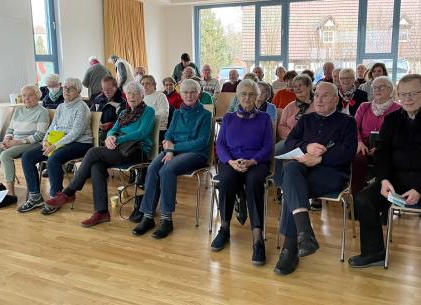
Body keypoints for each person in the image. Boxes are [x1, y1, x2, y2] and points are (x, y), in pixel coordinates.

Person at [348, 74, 421, 295]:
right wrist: (383, 179)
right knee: (364, 199)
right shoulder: (393, 120)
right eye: (403, 94)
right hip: (398, 179)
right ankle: (374, 252)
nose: (407, 98)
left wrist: (420, 188)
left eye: (413, 93)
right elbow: (382, 153)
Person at [274, 82, 357, 275]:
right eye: (317, 95)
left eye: (325, 96)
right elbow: (290, 143)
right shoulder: (306, 119)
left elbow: (348, 153)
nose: (318, 99)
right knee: (292, 169)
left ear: (336, 99)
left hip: (332, 174)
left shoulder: (347, 122)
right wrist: (307, 147)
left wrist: (319, 158)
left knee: (291, 188)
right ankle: (303, 234)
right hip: (302, 171)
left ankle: (291, 247)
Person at [45, 82, 155, 226]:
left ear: (142, 95)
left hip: (136, 152)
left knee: (93, 152)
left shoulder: (149, 111)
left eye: (135, 94)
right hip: (118, 149)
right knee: (96, 166)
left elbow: (142, 133)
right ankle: (101, 212)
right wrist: (110, 137)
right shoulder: (124, 113)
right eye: (129, 94)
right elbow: (112, 129)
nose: (131, 97)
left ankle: (68, 192)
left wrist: (118, 138)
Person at [132, 79, 212, 239]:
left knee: (167, 170)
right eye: (185, 92)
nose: (189, 95)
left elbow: (202, 142)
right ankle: (148, 215)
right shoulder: (177, 112)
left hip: (196, 154)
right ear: (181, 94)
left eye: (192, 92)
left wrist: (173, 148)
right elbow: (169, 134)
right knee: (153, 167)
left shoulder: (206, 115)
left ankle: (166, 219)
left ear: (198, 94)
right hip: (174, 150)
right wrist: (169, 149)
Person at [212, 79, 274, 265]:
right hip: (231, 162)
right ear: (237, 96)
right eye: (243, 94)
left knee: (254, 182)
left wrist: (252, 161)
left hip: (256, 162)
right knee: (227, 179)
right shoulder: (228, 118)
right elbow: (220, 144)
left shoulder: (264, 118)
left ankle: (257, 239)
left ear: (257, 96)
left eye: (251, 94)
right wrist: (230, 162)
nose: (247, 98)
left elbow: (268, 145)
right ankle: (224, 229)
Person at [18, 77, 93, 215]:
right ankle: (35, 196)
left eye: (70, 88)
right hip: (58, 141)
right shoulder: (61, 106)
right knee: (27, 156)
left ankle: (55, 197)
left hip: (80, 143)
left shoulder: (82, 107)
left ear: (78, 91)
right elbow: (53, 126)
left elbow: (75, 133)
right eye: (64, 88)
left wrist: (55, 146)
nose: (66, 91)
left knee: (54, 158)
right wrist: (46, 140)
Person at [0, 84, 50, 197]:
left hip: (31, 143)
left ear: (38, 96)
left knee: (5, 155)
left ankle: (10, 192)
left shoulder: (42, 111)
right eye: (24, 96)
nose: (26, 98)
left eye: (30, 95)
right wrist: (6, 140)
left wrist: (17, 142)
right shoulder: (18, 110)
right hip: (13, 141)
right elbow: (10, 129)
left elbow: (40, 136)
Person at [351, 76, 401, 194]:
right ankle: (356, 194)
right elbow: (354, 127)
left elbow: (400, 133)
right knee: (357, 159)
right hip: (364, 145)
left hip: (387, 146)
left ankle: (382, 194)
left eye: (381, 87)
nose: (377, 90)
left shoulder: (399, 109)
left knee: (387, 161)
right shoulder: (364, 106)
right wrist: (359, 142)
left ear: (391, 90)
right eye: (375, 87)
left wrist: (381, 147)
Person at [274, 74, 314, 191]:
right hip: (291, 141)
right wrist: (293, 136)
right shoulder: (290, 107)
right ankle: (282, 187)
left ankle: (312, 190)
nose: (297, 88)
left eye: (300, 85)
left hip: (311, 142)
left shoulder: (317, 104)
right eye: (295, 86)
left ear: (309, 87)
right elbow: (281, 126)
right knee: (275, 152)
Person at [91, 76, 126, 141]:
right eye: (104, 89)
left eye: (109, 89)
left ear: (115, 87)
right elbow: (91, 114)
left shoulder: (122, 101)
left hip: (113, 130)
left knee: (100, 137)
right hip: (97, 128)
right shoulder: (98, 99)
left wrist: (110, 124)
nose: (107, 92)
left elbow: (122, 120)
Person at [141, 75, 169, 140]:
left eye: (147, 83)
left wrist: (146, 119)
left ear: (154, 85)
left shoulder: (160, 96)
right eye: (142, 84)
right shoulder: (140, 97)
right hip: (143, 129)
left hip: (158, 129)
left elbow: (164, 113)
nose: (144, 85)